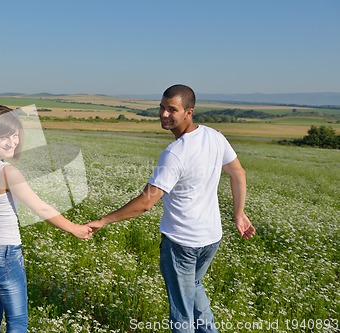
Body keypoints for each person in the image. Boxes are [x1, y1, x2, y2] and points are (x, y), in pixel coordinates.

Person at [86, 84, 255, 333]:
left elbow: (146, 203)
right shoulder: (215, 136)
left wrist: (103, 220)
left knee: (181, 313)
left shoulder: (175, 153)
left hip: (182, 243)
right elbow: (237, 173)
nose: (164, 114)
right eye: (162, 108)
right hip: (210, 239)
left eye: (172, 109)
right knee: (194, 287)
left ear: (189, 111)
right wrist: (238, 213)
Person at [0, 105, 92, 333]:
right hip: (2, 253)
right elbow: (41, 208)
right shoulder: (7, 172)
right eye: (3, 136)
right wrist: (75, 229)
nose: (13, 142)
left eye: (15, 134)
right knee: (17, 322)